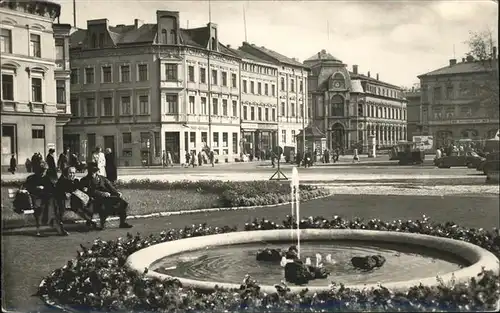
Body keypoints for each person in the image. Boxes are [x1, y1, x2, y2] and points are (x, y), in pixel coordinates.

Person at [79, 162, 132, 229]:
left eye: (94, 171)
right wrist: (101, 193)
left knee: (123, 203)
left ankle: (122, 223)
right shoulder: (84, 180)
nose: (92, 173)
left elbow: (111, 187)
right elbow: (87, 191)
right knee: (103, 206)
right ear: (88, 171)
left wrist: (117, 192)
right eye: (90, 171)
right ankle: (102, 224)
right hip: (93, 200)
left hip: (107, 198)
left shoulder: (103, 179)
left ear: (97, 171)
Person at [22, 161, 66, 236]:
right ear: (37, 170)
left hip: (46, 198)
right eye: (42, 170)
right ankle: (51, 225)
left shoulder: (47, 178)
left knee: (52, 202)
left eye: (45, 170)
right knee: (43, 206)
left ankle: (53, 224)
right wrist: (36, 188)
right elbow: (26, 188)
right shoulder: (31, 178)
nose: (43, 172)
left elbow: (52, 189)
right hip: (35, 197)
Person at [55, 166, 96, 231]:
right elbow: (58, 192)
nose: (72, 175)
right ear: (66, 173)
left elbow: (79, 189)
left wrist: (83, 189)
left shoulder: (76, 181)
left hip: (75, 201)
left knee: (88, 202)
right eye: (70, 173)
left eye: (73, 173)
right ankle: (60, 226)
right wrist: (64, 194)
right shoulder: (61, 181)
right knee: (67, 206)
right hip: (63, 201)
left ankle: (89, 220)